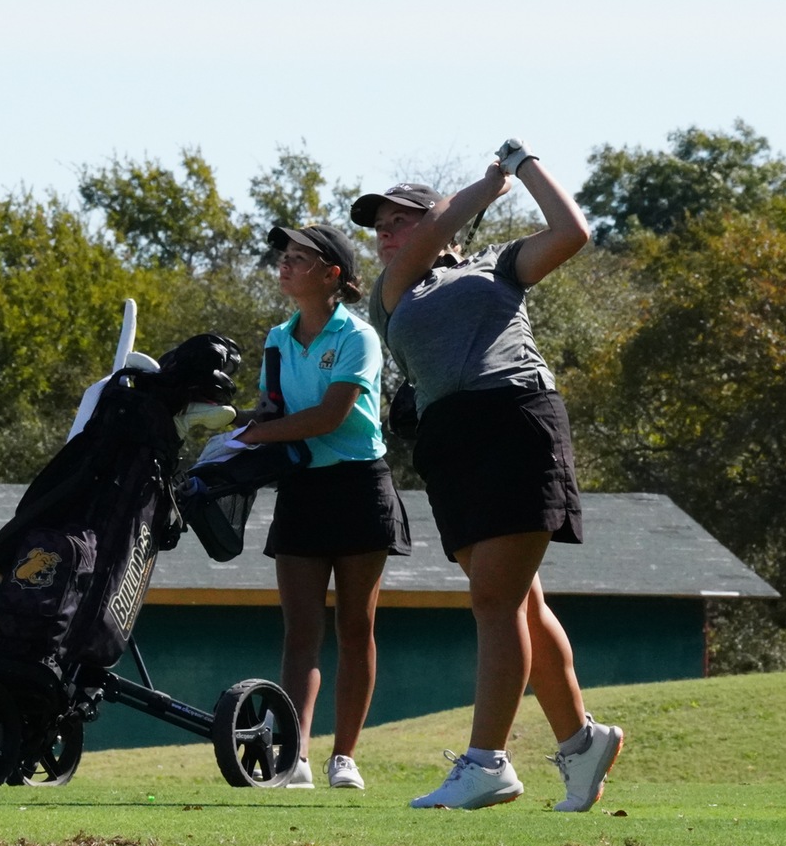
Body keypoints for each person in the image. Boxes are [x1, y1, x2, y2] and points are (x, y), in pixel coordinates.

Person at [356, 145, 625, 812]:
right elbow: (431, 238)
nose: (388, 237)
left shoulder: (498, 267)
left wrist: (524, 168)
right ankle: (581, 743)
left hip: (515, 416)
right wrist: (488, 185)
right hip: (451, 439)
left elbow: (573, 233)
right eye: (380, 228)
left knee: (495, 602)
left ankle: (487, 763)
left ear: (430, 219)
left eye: (399, 221)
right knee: (519, 601)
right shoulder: (391, 296)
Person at [230, 223, 410, 791]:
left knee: (356, 627)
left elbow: (329, 417)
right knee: (299, 632)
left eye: (299, 258)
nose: (285, 264)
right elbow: (272, 409)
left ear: (332, 275)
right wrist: (232, 424)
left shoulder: (358, 337)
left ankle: (345, 757)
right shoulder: (277, 339)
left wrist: (258, 436)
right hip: (302, 490)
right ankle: (294, 754)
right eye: (284, 256)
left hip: (359, 487)